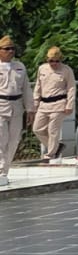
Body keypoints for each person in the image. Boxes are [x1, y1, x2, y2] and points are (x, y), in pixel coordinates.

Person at [0, 36, 34, 187]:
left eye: (12, 48)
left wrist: (30, 109)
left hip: (17, 105)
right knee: (2, 139)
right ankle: (0, 171)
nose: (10, 51)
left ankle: (5, 172)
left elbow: (26, 88)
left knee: (14, 140)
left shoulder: (19, 66)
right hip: (1, 104)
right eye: (7, 49)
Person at [31, 47, 76, 161]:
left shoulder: (66, 70)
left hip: (59, 103)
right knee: (37, 129)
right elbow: (38, 86)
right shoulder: (42, 69)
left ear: (60, 60)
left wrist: (69, 105)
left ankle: (51, 154)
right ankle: (57, 147)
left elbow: (71, 88)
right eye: (51, 61)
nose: (54, 63)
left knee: (53, 130)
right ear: (47, 59)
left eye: (57, 61)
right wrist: (35, 102)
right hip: (44, 104)